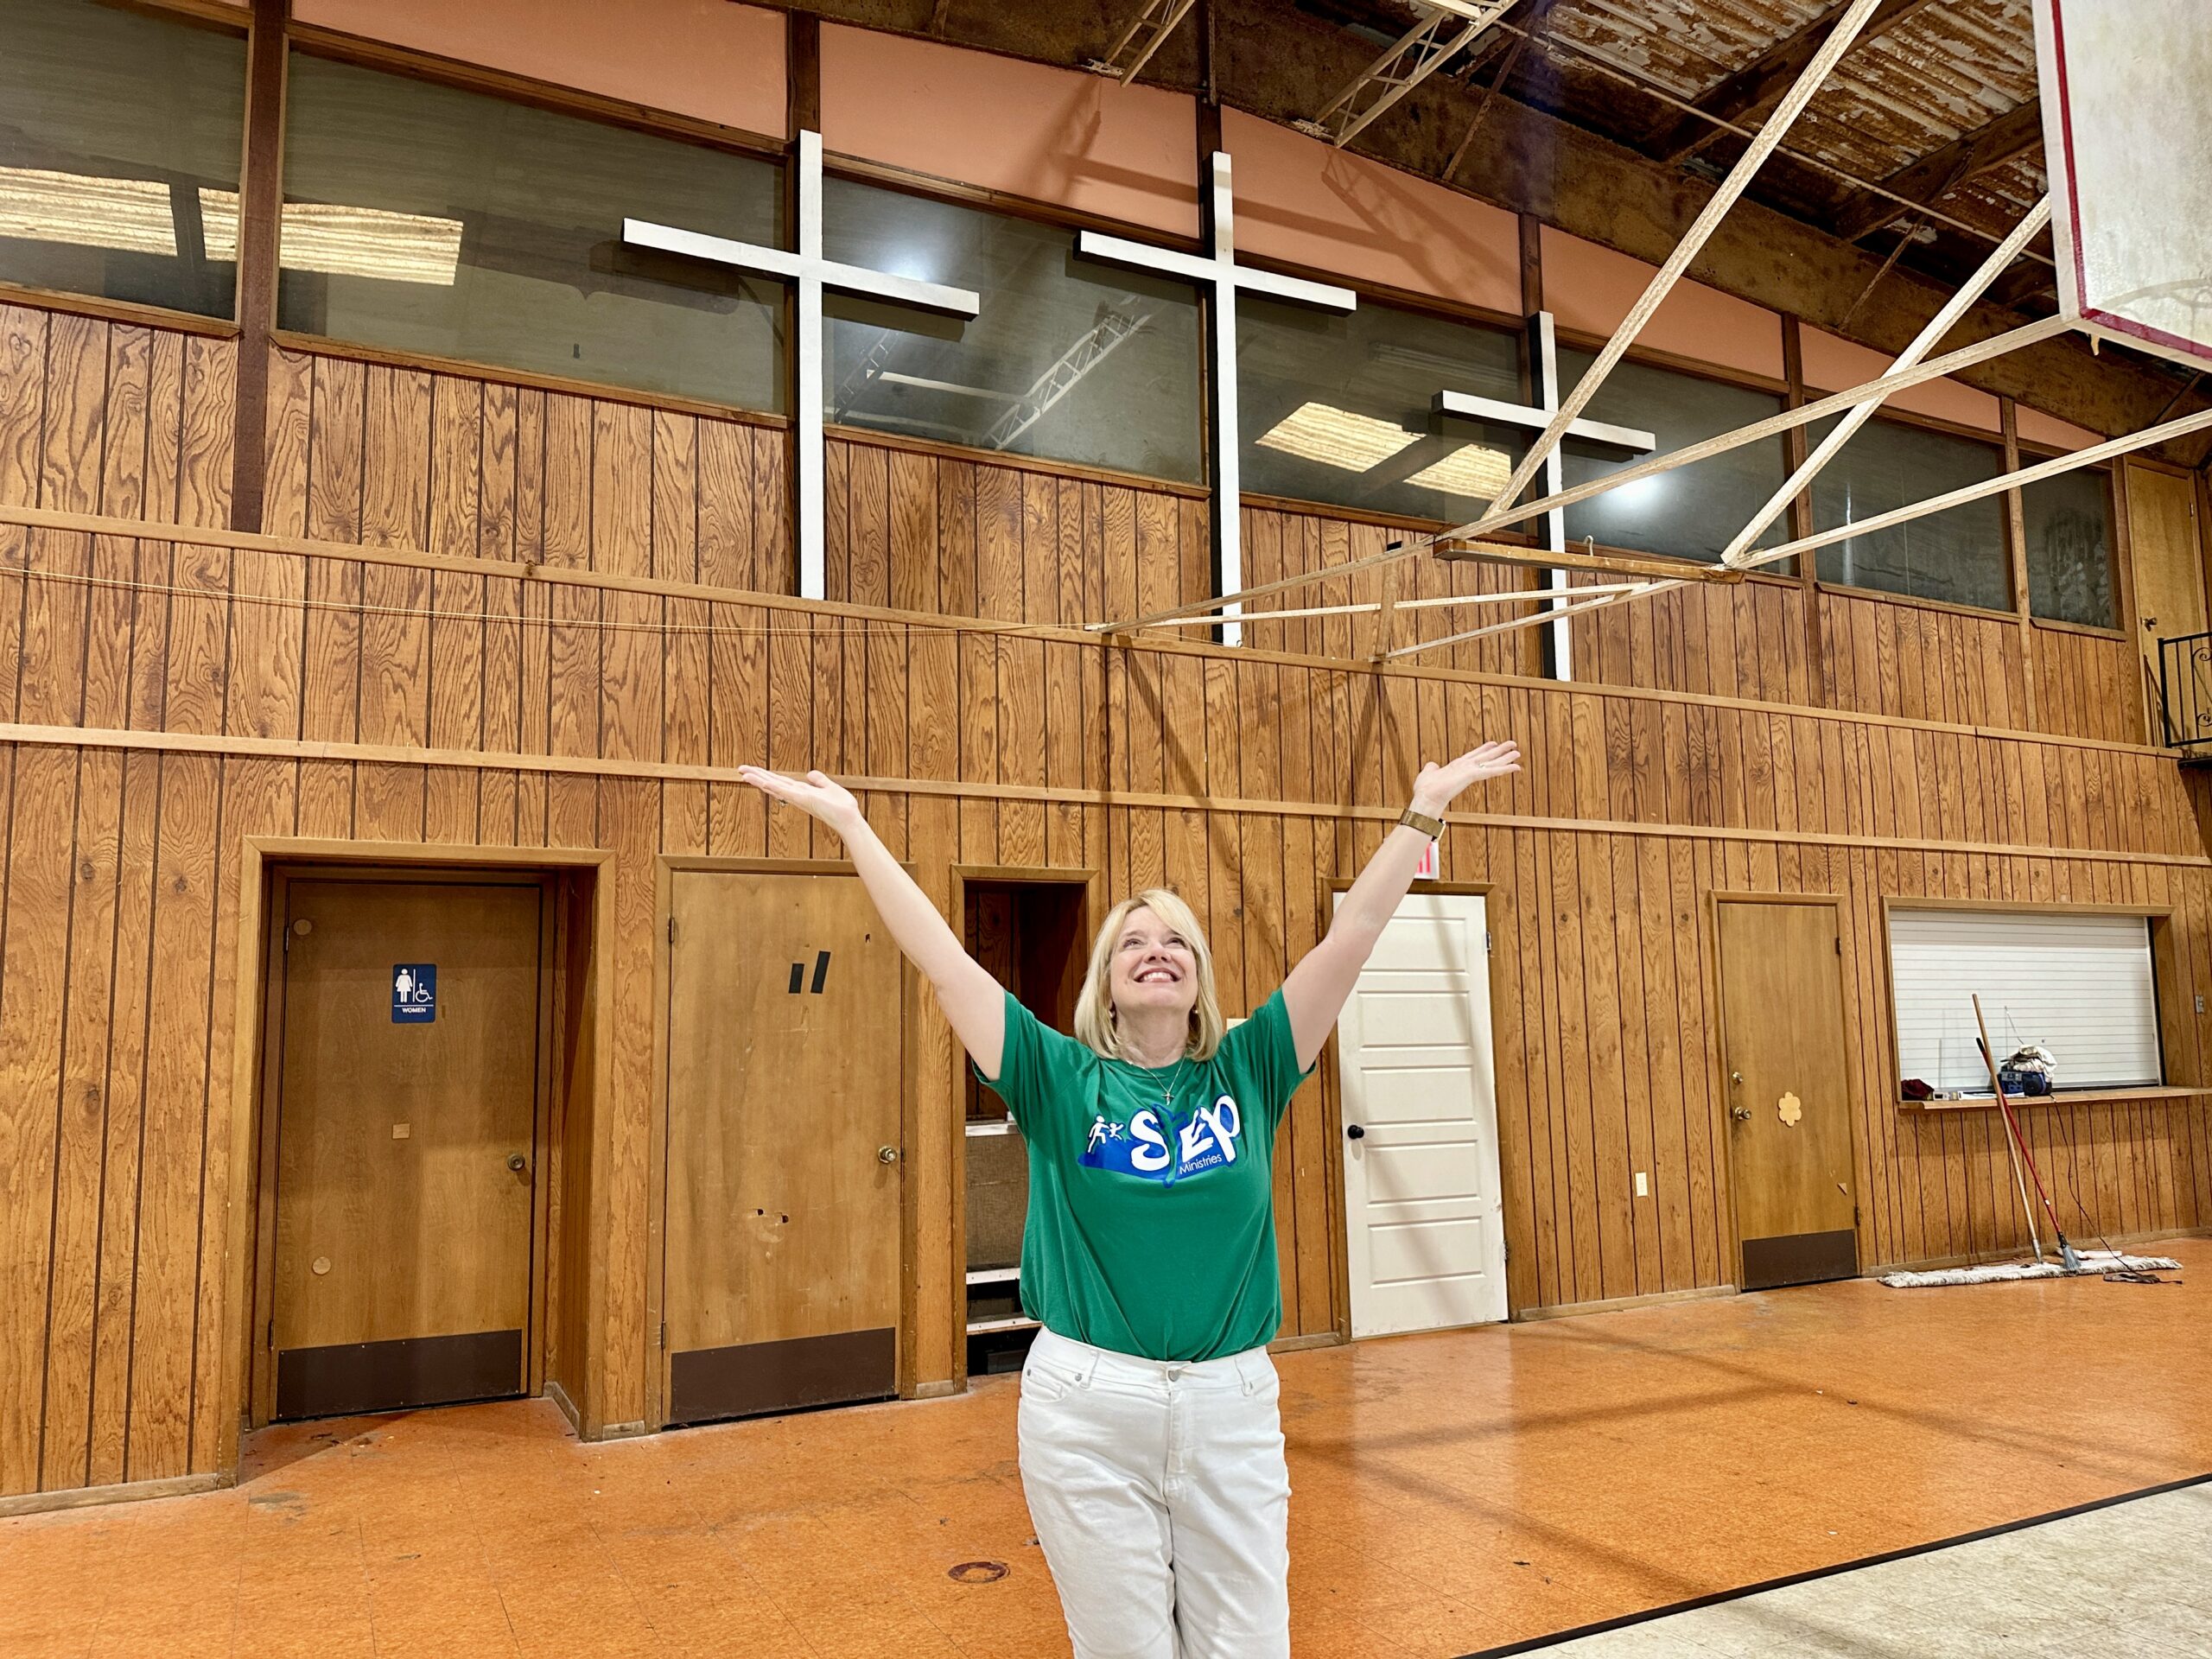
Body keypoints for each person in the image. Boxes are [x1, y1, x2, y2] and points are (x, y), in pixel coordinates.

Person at [738, 736, 1522, 1659]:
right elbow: (944, 960)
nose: (1158, 951)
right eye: (1134, 943)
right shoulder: (1056, 1076)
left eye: (1176, 939)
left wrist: (1421, 811)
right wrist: (853, 827)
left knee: (1248, 1647)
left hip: (1229, 1401)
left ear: (1199, 981)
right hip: (1088, 1408)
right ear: (1107, 986)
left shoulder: (1253, 1063)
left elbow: (1350, 938)